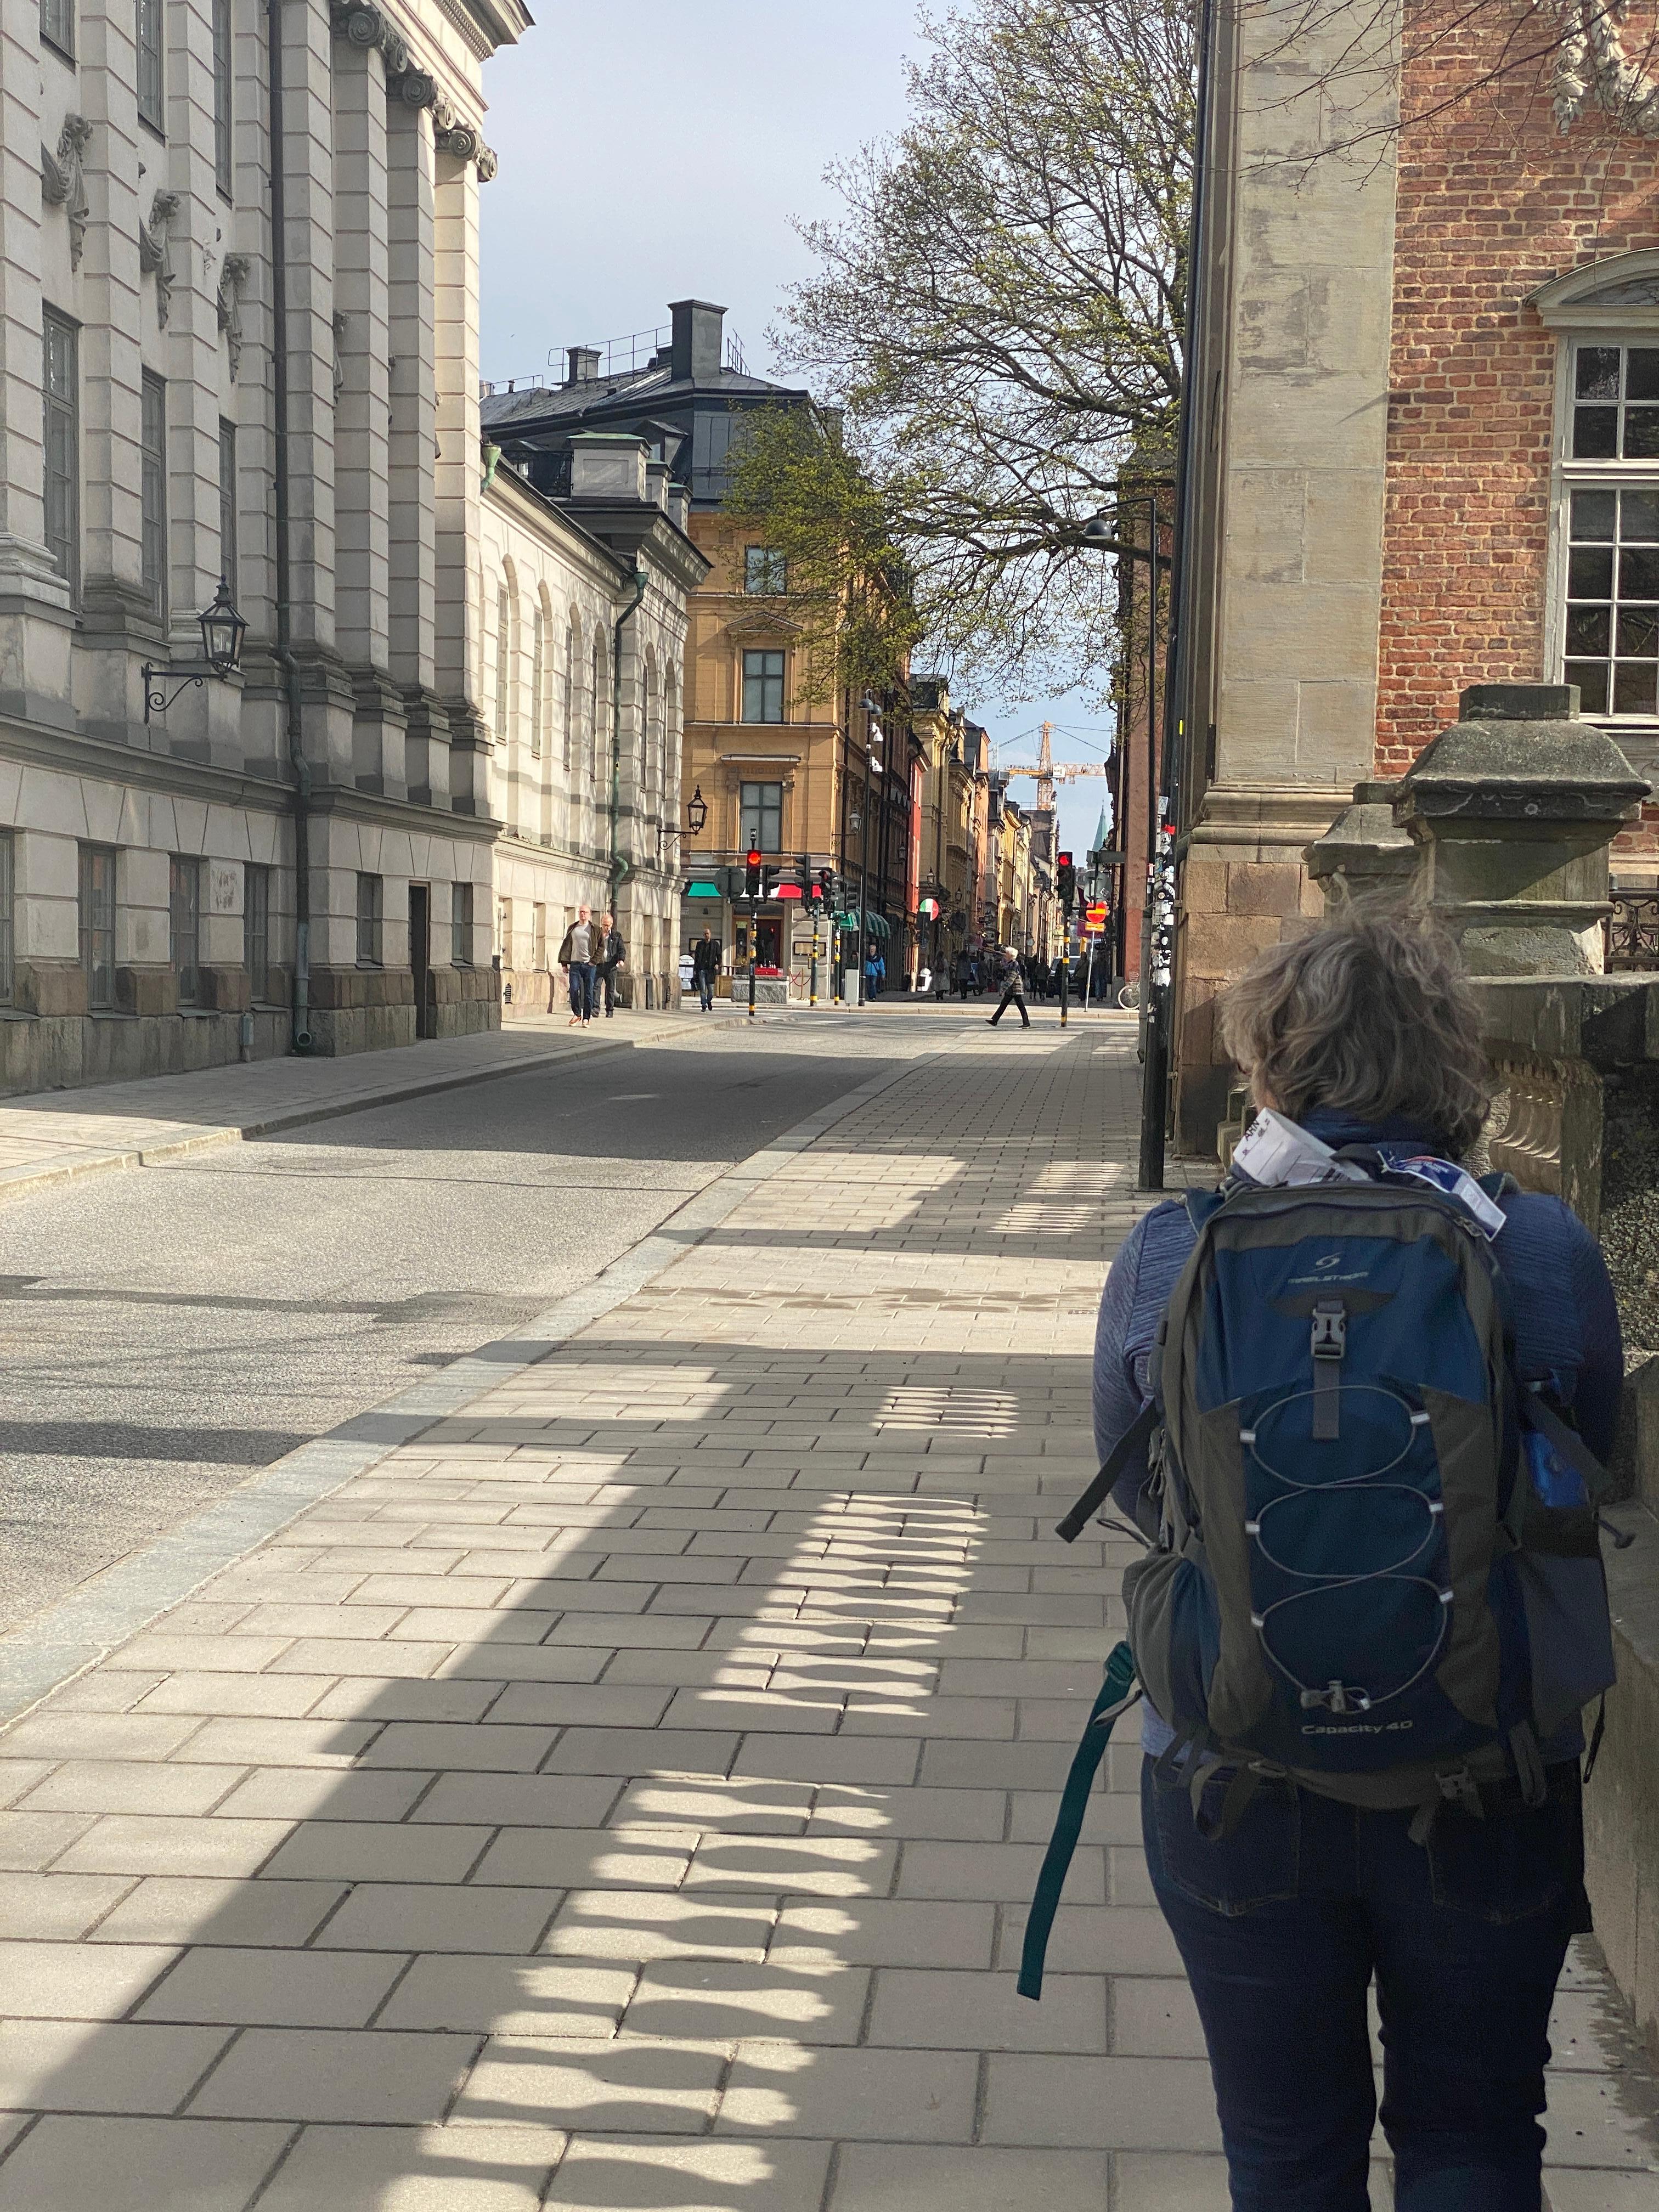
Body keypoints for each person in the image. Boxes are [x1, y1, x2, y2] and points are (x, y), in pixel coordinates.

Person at [1091, 909, 1621, 2211]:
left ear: (1271, 1064)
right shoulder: (1538, 1247)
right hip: (1486, 1773)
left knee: (1284, 2155)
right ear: (1459, 1062)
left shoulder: (1177, 1249)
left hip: (1235, 1773)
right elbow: (1595, 1469)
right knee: (1476, 2142)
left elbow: (1145, 1486)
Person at [555, 902, 597, 1027]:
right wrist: (564, 963)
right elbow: (567, 945)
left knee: (588, 992)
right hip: (575, 964)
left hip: (589, 965)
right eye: (581, 912)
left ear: (589, 914)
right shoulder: (573, 928)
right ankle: (577, 1014)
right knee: (574, 989)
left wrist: (593, 961)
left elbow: (601, 947)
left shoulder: (595, 929)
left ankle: (587, 1018)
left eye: (585, 912)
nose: (583, 914)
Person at [987, 944, 1030, 1028]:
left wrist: (1003, 988)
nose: (1005, 955)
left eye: (1006, 954)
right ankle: (995, 1020)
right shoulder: (1010, 964)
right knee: (1004, 1004)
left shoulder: (1015, 964)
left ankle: (1026, 1022)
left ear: (1011, 956)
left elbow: (1011, 978)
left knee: (1020, 1006)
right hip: (1012, 989)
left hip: (1016, 988)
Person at [594, 911, 625, 1018]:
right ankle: (595, 1008)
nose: (606, 927)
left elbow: (621, 949)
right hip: (599, 964)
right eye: (604, 925)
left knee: (610, 989)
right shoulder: (597, 934)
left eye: (608, 925)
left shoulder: (616, 935)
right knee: (596, 987)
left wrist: (621, 959)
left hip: (611, 965)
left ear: (612, 924)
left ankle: (610, 1010)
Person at [691, 926, 721, 1013]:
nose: (707, 935)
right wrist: (696, 969)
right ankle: (704, 1004)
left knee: (711, 990)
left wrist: (717, 964)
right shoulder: (700, 944)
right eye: (705, 934)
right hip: (702, 969)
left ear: (710, 935)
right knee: (703, 988)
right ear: (703, 935)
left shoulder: (715, 944)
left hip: (711, 970)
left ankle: (709, 1001)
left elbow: (719, 956)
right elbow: (697, 957)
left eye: (708, 934)